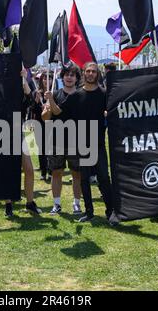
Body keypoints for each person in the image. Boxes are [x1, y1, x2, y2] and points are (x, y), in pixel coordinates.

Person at [46, 62, 120, 226]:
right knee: (84, 179)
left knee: (104, 178)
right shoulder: (76, 96)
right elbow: (58, 111)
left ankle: (111, 212)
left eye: (93, 71)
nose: (91, 73)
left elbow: (114, 110)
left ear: (97, 74)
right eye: (88, 71)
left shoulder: (104, 94)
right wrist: (50, 100)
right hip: (81, 144)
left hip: (98, 144)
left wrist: (108, 113)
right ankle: (89, 212)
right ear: (84, 74)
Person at [42, 63, 82, 215]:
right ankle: (56, 204)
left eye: (72, 75)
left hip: (76, 140)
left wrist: (51, 102)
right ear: (62, 77)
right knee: (56, 173)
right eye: (67, 74)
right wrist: (48, 104)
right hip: (56, 140)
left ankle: (77, 204)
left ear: (77, 78)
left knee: (76, 174)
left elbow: (59, 111)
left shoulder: (80, 94)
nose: (69, 77)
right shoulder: (55, 94)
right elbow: (45, 118)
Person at [4, 69, 42, 217]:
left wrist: (24, 78)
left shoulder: (21, 96)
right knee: (8, 172)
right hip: (2, 134)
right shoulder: (0, 93)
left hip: (19, 134)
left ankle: (29, 202)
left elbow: (29, 97)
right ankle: (8, 205)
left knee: (29, 170)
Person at [32, 72, 52, 181]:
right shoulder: (37, 93)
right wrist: (36, 101)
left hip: (51, 124)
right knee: (42, 149)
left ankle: (50, 171)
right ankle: (43, 172)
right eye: (45, 78)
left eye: (49, 78)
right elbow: (33, 110)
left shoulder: (53, 93)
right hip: (39, 124)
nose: (46, 80)